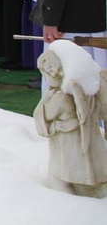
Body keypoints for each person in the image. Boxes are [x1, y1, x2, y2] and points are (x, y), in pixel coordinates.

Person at [34, 43, 107, 198]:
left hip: (66, 159)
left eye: (45, 75)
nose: (46, 80)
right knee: (89, 187)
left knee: (60, 185)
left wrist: (45, 101)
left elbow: (40, 122)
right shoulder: (88, 92)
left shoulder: (60, 99)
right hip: (92, 156)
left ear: (55, 73)